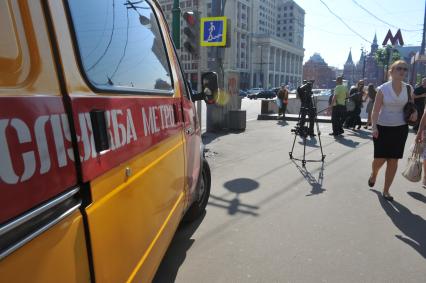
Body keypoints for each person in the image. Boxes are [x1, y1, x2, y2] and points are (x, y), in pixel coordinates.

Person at [368, 60, 417, 201]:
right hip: (382, 128)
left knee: (393, 160)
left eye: (404, 69)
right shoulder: (383, 89)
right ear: (391, 71)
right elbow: (375, 110)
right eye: (398, 68)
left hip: (400, 128)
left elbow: (412, 106)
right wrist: (374, 127)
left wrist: (414, 113)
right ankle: (374, 173)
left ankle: (386, 190)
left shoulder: (409, 88)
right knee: (379, 159)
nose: (402, 71)